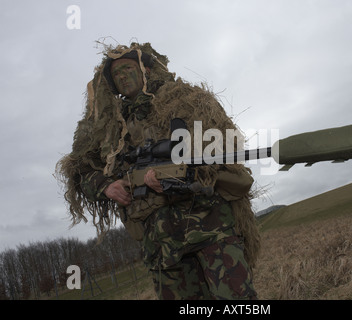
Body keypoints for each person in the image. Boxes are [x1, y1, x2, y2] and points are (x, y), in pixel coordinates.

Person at [56, 42, 260, 300]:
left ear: (146, 70)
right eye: (115, 74)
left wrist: (182, 168)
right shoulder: (106, 128)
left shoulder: (184, 99)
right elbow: (80, 168)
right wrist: (106, 185)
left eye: (128, 68)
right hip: (161, 244)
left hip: (210, 226)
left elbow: (224, 143)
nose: (121, 76)